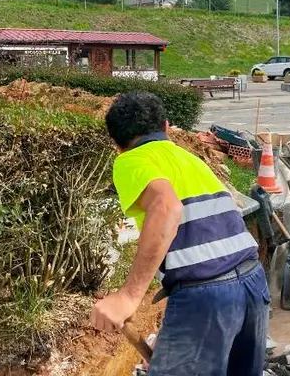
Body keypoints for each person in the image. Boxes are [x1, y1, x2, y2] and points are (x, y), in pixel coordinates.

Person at [91, 92, 269, 376]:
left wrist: (128, 296)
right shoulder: (191, 160)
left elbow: (166, 208)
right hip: (252, 283)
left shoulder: (130, 161)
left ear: (117, 144)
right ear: (165, 127)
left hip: (206, 295)